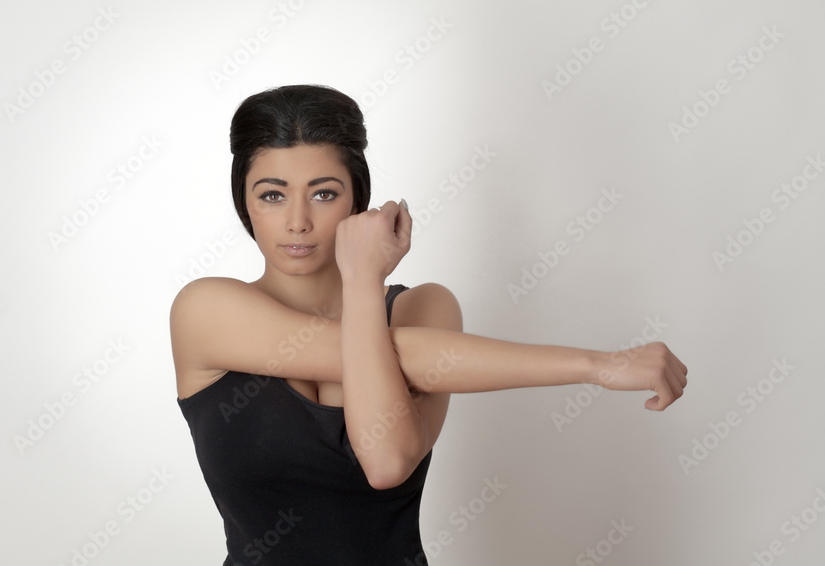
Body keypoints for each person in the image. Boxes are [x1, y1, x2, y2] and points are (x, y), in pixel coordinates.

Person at [170, 84, 688, 565]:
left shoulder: (423, 308)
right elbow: (401, 356)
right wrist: (597, 365)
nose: (298, 221)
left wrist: (363, 284)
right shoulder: (206, 311)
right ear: (245, 202)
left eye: (324, 193)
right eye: (272, 194)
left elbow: (386, 462)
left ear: (358, 201)